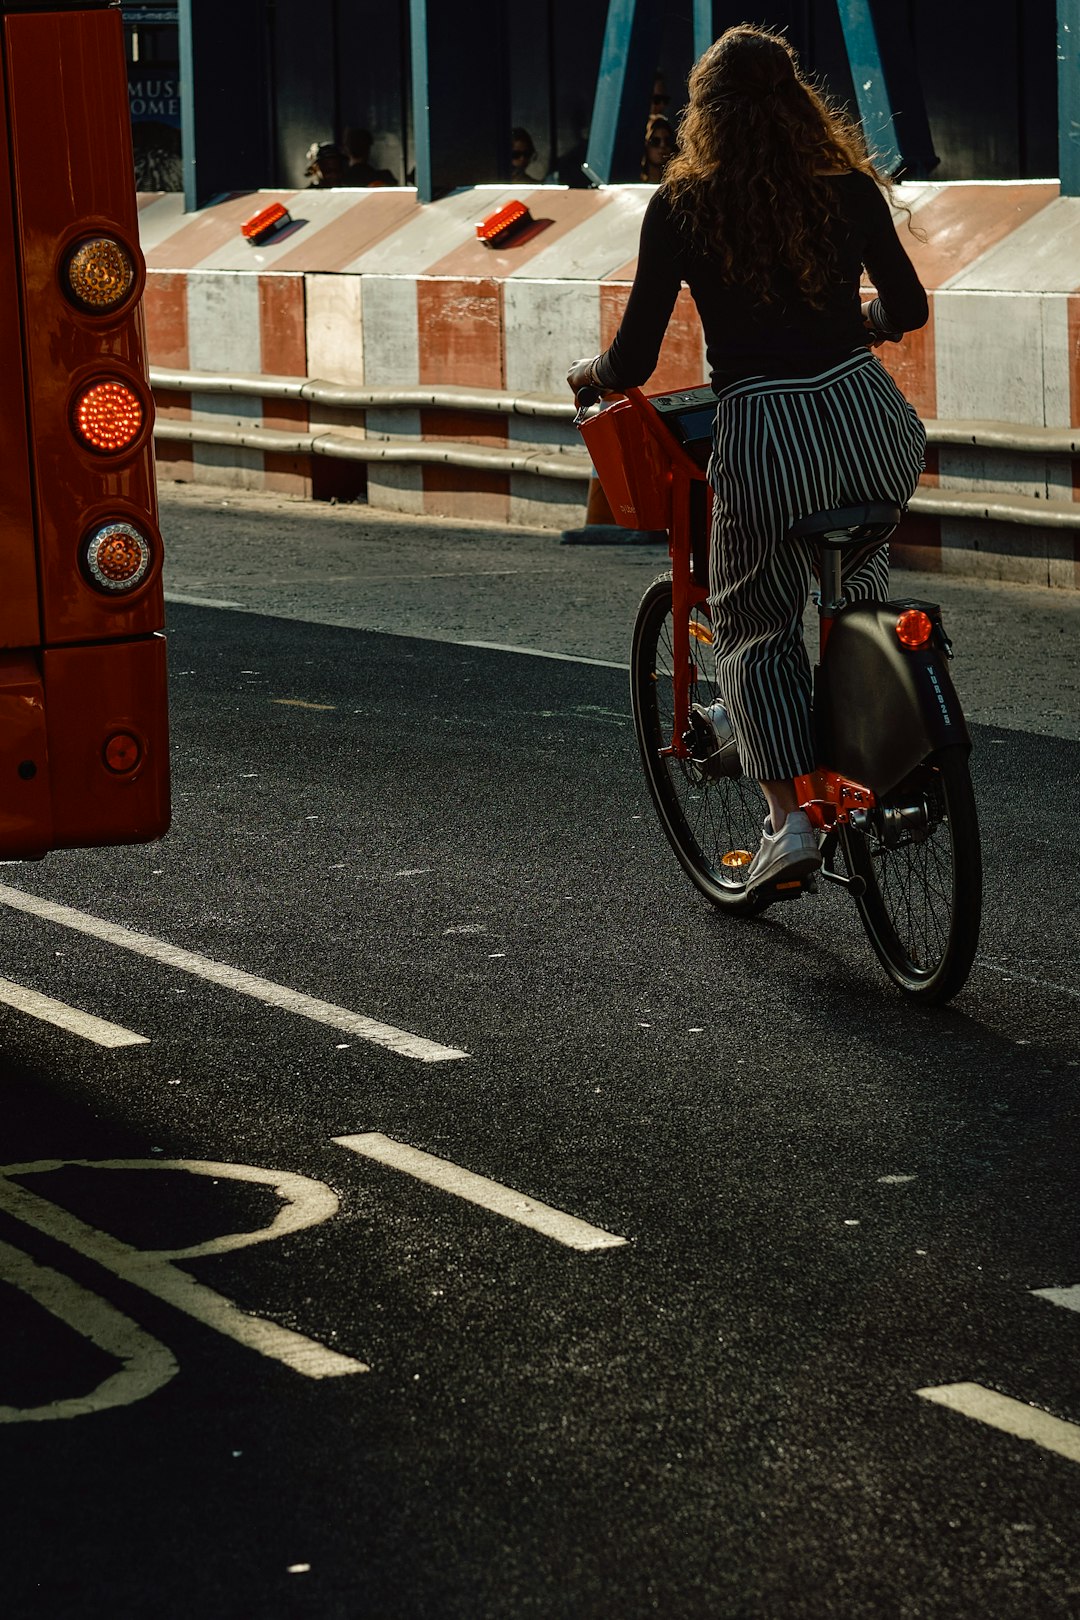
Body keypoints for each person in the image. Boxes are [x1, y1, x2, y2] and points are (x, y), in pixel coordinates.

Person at [567, 25, 928, 894]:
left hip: (766, 429)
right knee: (860, 581)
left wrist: (591, 375)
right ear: (800, 100)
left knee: (754, 626)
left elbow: (638, 360)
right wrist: (856, 327)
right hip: (871, 423)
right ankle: (885, 749)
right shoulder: (847, 188)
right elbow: (907, 307)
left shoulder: (684, 205)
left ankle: (788, 823)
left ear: (707, 111)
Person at [640, 115, 674, 183]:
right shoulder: (633, 182)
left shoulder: (677, 184)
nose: (662, 145)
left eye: (667, 141)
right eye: (655, 141)